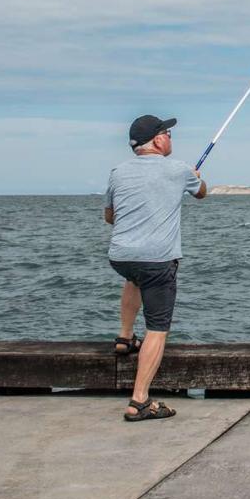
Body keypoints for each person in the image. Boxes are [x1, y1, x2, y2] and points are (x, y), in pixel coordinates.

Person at [104, 114, 207, 421]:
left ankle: (124, 338)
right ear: (159, 140)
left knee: (135, 278)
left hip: (121, 257)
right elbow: (202, 193)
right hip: (158, 260)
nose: (171, 139)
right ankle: (139, 401)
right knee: (157, 329)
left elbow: (110, 216)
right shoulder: (178, 170)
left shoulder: (117, 172)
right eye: (169, 134)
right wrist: (195, 176)